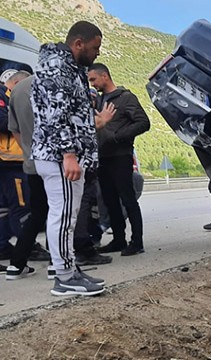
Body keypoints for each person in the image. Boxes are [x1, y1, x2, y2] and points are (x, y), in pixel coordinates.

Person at [31, 21, 110, 295]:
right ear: (78, 44)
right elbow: (57, 115)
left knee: (68, 216)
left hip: (67, 156)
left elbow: (72, 113)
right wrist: (69, 154)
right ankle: (64, 278)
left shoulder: (72, 69)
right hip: (59, 157)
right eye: (94, 47)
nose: (97, 53)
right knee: (63, 216)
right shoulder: (56, 67)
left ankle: (69, 269)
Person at [88, 63, 150, 256]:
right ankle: (119, 240)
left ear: (104, 76)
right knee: (109, 200)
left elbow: (143, 122)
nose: (92, 84)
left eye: (93, 79)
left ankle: (137, 242)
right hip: (103, 157)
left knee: (128, 199)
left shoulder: (126, 98)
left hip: (120, 156)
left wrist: (119, 136)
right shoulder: (97, 100)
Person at [0, 70, 39, 262]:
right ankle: (28, 247)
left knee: (7, 207)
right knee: (21, 206)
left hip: (12, 161)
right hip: (11, 162)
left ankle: (3, 246)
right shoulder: (3, 98)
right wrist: (21, 115)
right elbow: (4, 123)